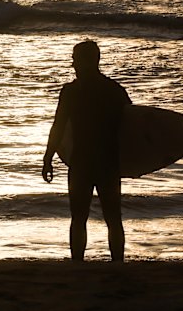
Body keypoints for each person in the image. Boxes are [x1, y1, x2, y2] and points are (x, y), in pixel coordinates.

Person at [42, 40, 131, 261]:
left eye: (76, 60)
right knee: (112, 217)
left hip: (82, 161)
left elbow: (59, 125)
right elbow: (132, 126)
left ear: (89, 61)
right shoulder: (115, 90)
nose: (73, 65)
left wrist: (48, 157)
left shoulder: (71, 92)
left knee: (80, 217)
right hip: (106, 160)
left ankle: (78, 263)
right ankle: (117, 263)